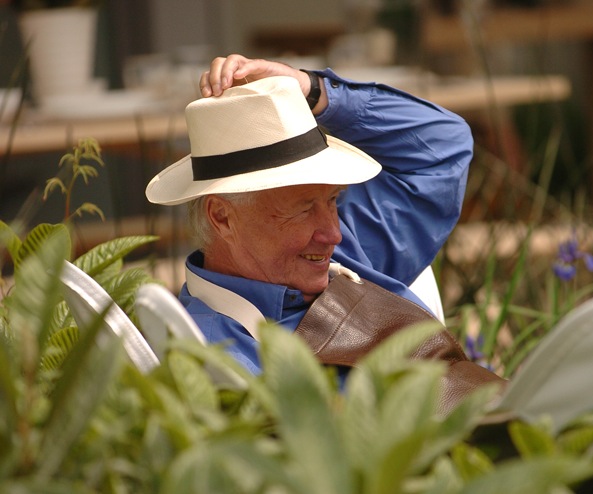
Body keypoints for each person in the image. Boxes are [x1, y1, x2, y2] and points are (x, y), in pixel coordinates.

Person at [145, 56, 503, 408]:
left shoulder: (340, 252)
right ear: (222, 217)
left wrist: (313, 91)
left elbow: (443, 144)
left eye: (332, 200)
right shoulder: (216, 356)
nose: (333, 233)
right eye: (303, 209)